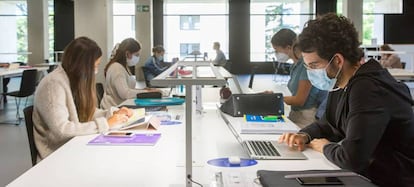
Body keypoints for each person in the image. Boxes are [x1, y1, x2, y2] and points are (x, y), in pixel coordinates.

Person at [279, 13, 414, 186]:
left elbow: (352, 158)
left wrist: (324, 146)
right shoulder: (340, 82)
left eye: (314, 65)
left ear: (337, 60)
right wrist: (304, 135)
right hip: (368, 175)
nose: (311, 72)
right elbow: (327, 123)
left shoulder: (368, 88)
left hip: (390, 180)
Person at [33, 37, 132, 160]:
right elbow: (62, 130)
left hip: (75, 148)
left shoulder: (74, 80)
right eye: (94, 66)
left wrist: (112, 114)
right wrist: (105, 123)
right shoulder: (53, 84)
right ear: (81, 65)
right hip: (57, 157)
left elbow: (88, 111)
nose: (95, 71)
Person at [271, 28, 327, 128]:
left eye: (276, 50)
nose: (276, 54)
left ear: (288, 47)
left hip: (306, 118)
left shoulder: (305, 66)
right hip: (296, 114)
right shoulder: (295, 66)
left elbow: (299, 100)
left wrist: (274, 98)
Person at [101, 38, 161, 109]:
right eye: (137, 55)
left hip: (121, 107)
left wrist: (144, 90)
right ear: (127, 53)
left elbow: (128, 89)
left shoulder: (123, 67)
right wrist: (147, 93)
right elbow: (125, 93)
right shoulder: (117, 68)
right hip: (114, 109)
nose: (138, 57)